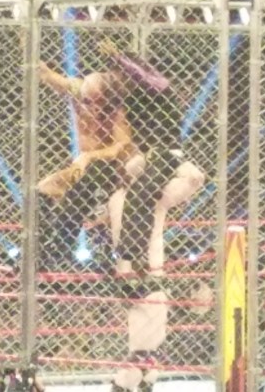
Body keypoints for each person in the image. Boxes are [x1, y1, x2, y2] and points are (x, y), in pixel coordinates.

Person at [93, 42, 205, 392]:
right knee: (150, 323)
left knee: (148, 323)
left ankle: (139, 380)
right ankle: (129, 381)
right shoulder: (143, 198)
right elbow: (194, 178)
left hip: (131, 266)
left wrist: (120, 59)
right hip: (143, 267)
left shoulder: (122, 196)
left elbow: (150, 80)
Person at [36, 61, 136, 268]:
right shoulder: (77, 93)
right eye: (87, 101)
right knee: (43, 189)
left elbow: (120, 147)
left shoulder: (117, 112)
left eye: (97, 102)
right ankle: (41, 250)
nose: (91, 107)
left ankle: (69, 250)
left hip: (110, 170)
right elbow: (47, 74)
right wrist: (29, 52)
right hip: (83, 168)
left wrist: (90, 156)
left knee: (90, 184)